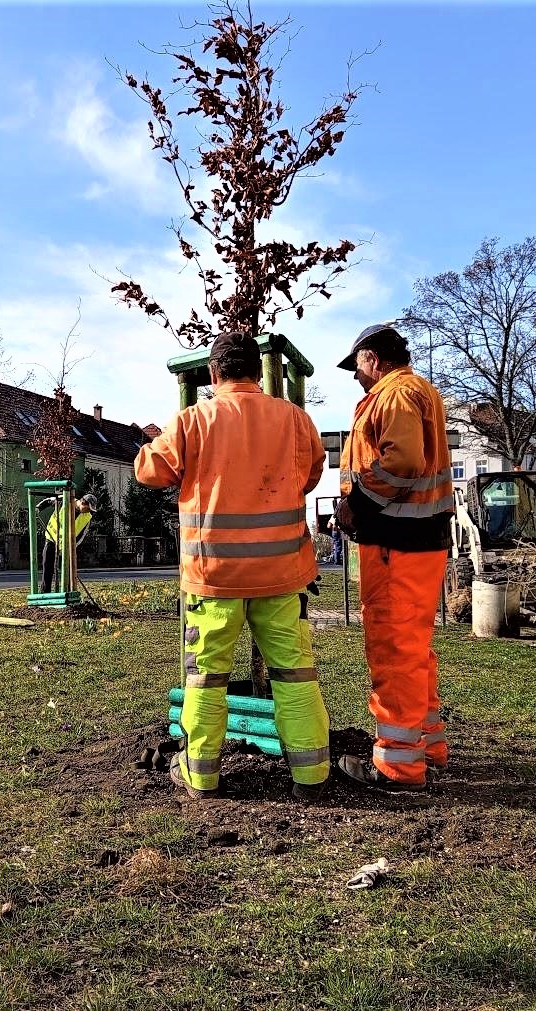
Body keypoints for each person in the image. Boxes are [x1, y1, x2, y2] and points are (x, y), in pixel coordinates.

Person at [135, 331, 331, 803]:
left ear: (214, 373)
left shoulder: (193, 421)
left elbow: (147, 471)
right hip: (281, 575)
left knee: (205, 676)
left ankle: (201, 775)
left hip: (214, 576)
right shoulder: (296, 420)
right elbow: (312, 473)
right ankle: (312, 774)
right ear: (261, 372)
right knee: (294, 672)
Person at [333, 322, 454, 792]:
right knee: (413, 647)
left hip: (394, 543)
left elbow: (401, 460)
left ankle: (398, 767)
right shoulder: (418, 392)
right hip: (415, 539)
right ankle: (426, 747)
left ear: (373, 357)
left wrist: (355, 504)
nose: (355, 376)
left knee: (393, 649)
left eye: (356, 365)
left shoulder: (396, 394)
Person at [39, 493, 97, 594]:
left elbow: (82, 535)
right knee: (47, 566)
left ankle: (69, 592)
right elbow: (48, 500)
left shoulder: (87, 517)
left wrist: (73, 546)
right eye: (88, 508)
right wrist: (38, 508)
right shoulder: (65, 500)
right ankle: (45, 592)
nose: (89, 511)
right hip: (51, 538)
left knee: (70, 570)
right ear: (83, 502)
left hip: (68, 547)